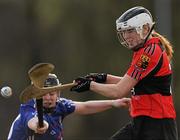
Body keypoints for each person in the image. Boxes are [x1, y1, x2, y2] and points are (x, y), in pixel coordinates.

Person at [70, 6, 178, 140]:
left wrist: (90, 85)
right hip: (141, 123)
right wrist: (103, 78)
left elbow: (119, 91)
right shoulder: (144, 50)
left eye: (130, 31)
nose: (126, 36)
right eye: (124, 32)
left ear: (145, 28)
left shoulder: (149, 54)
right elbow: (134, 82)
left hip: (157, 126)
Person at [7, 73, 130, 140]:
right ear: (35, 95)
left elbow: (85, 107)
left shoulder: (60, 105)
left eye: (51, 93)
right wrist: (41, 125)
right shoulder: (28, 107)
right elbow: (32, 122)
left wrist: (113, 103)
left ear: (58, 94)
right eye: (43, 94)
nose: (48, 97)